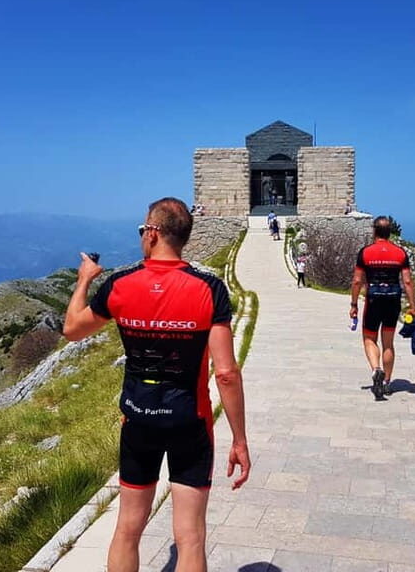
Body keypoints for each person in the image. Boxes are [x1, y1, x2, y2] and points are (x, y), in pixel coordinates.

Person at [63, 197, 250, 572]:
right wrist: (240, 440)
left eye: (141, 230)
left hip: (138, 419)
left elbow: (72, 329)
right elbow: (226, 372)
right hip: (189, 421)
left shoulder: (119, 284)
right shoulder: (209, 288)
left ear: (152, 233)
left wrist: (84, 279)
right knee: (191, 536)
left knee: (128, 529)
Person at [349, 216, 415, 400]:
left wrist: (354, 304)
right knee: (388, 342)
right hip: (393, 300)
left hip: (373, 299)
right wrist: (413, 306)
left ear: (374, 231)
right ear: (389, 232)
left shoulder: (365, 252)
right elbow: (408, 281)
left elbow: (357, 281)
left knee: (369, 339)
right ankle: (387, 382)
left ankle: (376, 369)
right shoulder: (400, 253)